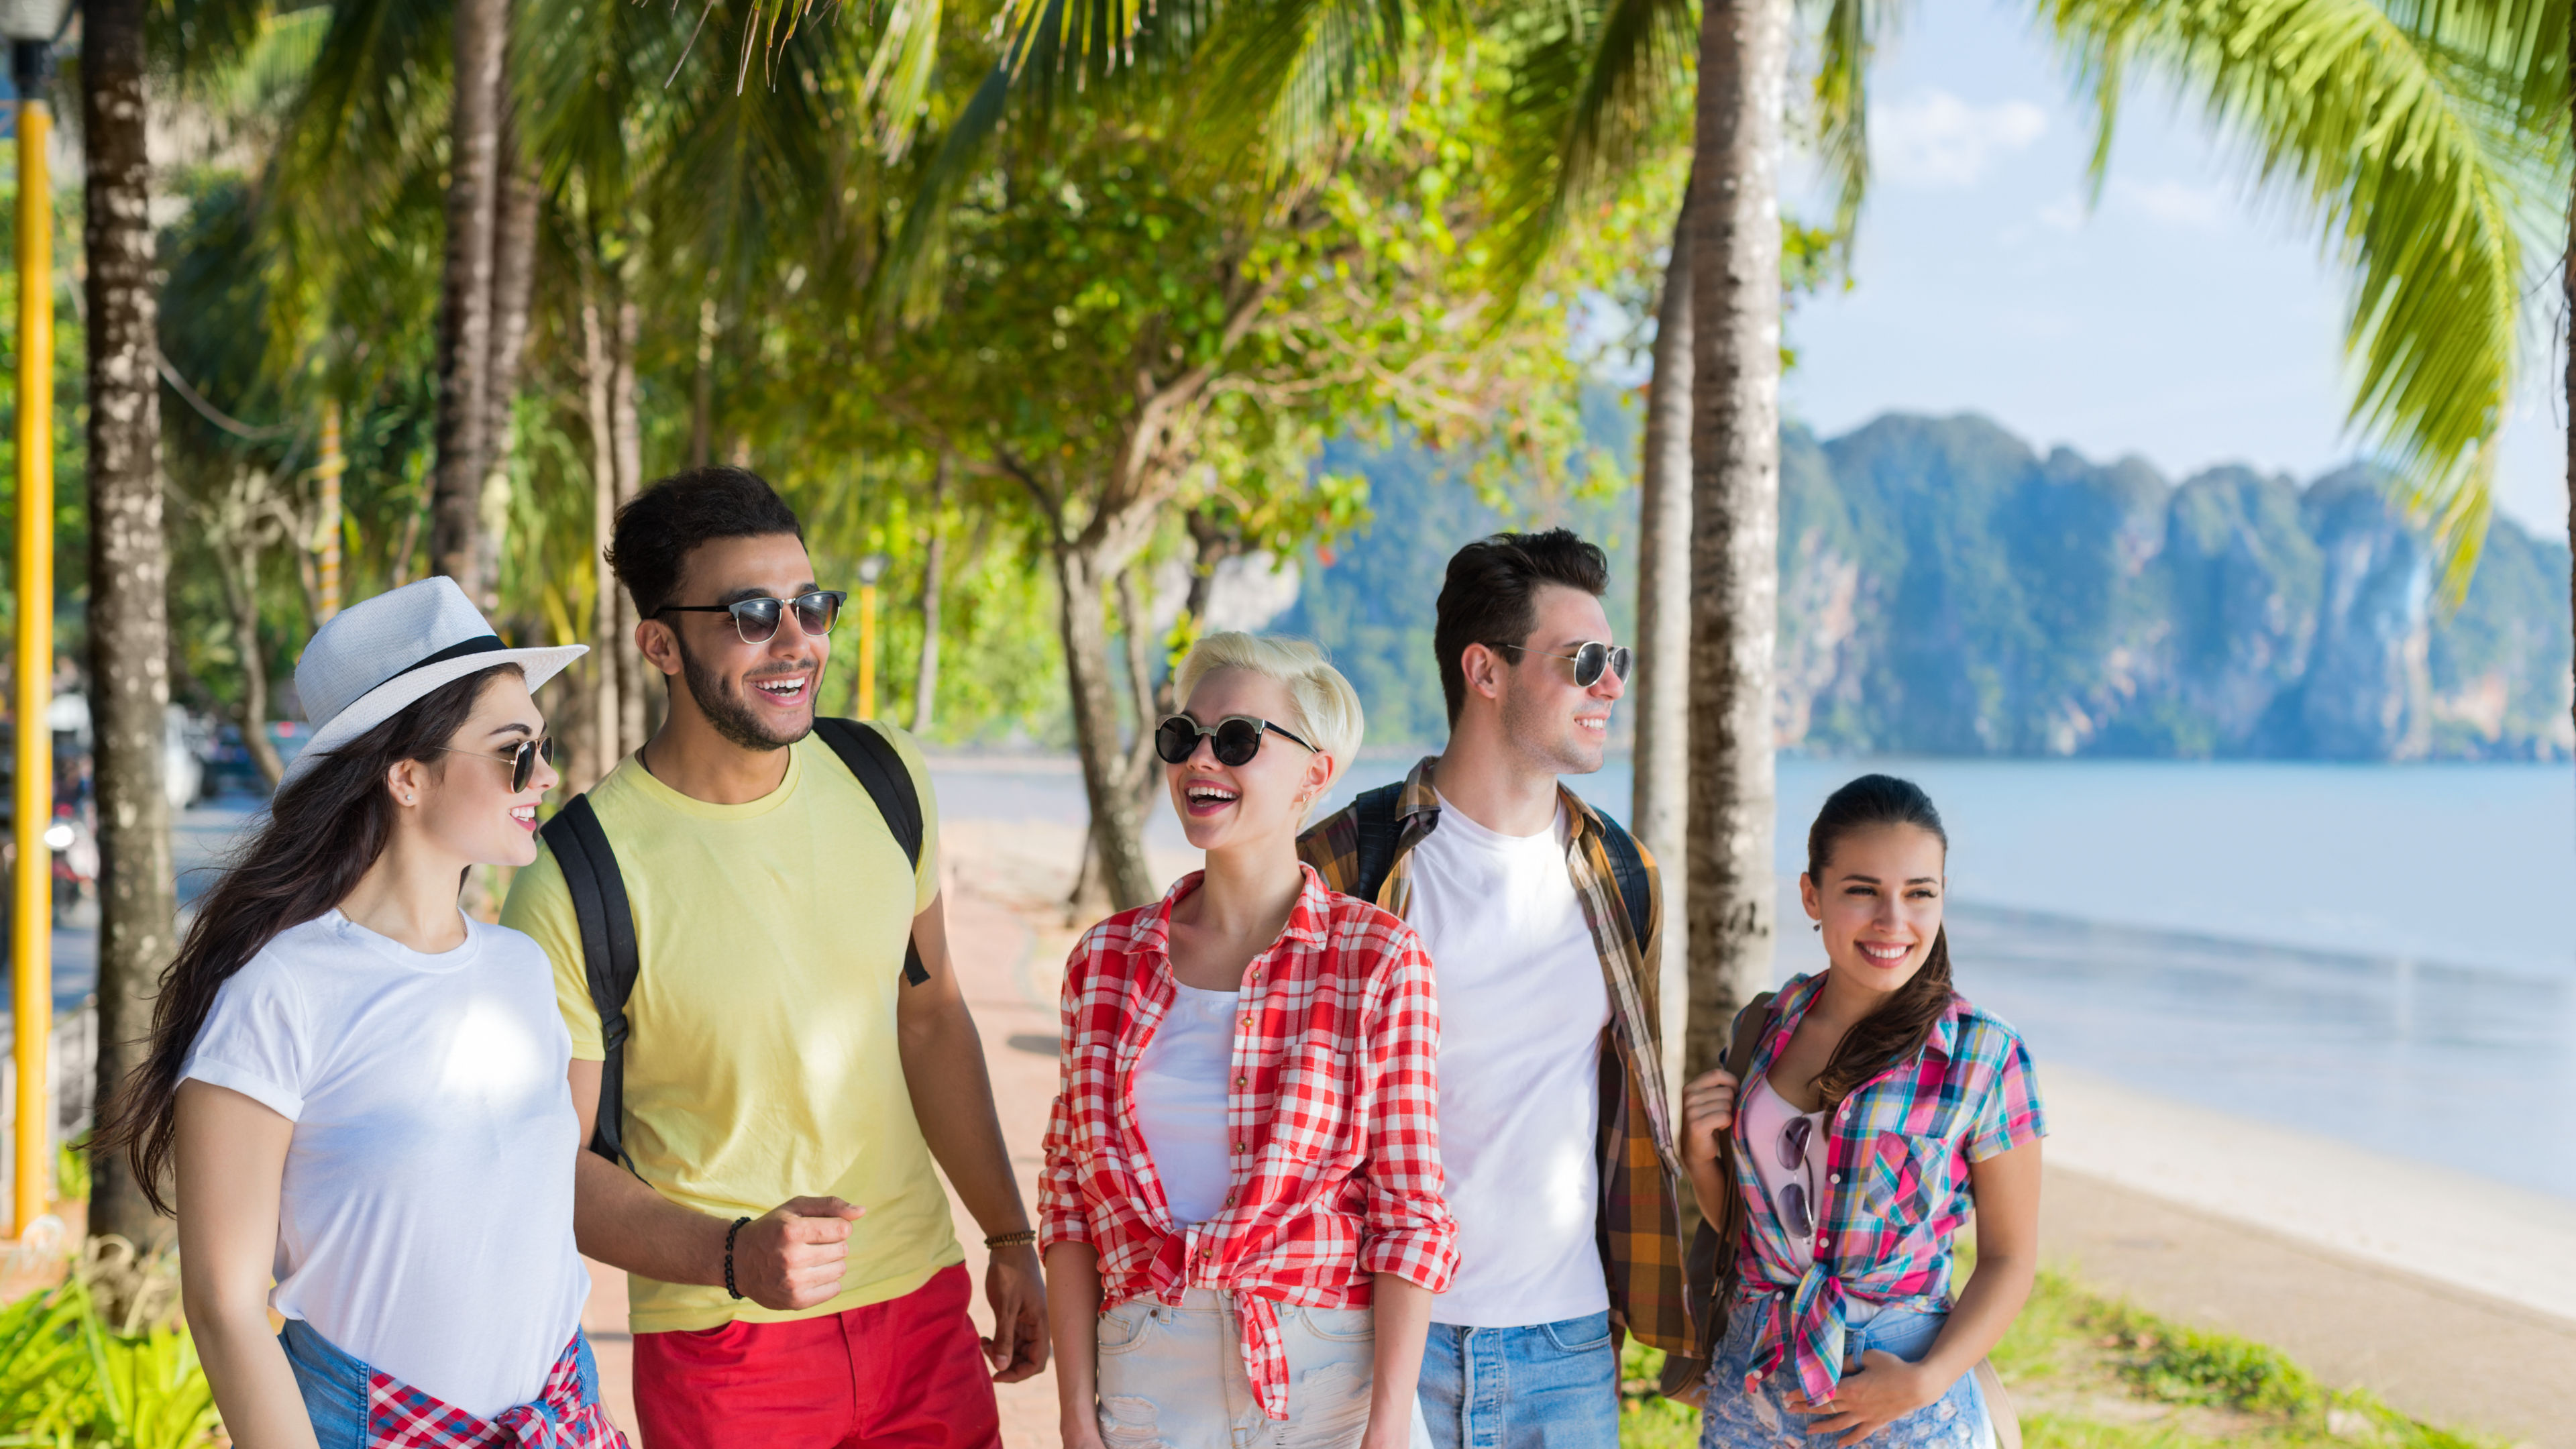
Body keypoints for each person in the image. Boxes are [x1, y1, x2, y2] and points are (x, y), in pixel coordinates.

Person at [498, 466, 1044, 1449]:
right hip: (724, 1344)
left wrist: (1009, 1236)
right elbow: (550, 1170)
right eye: (751, 614)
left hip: (924, 1307)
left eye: (809, 604)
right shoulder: (573, 877)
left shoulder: (885, 777)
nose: (797, 640)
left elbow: (929, 1018)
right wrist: (737, 1255)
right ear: (660, 643)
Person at [93, 577, 621, 1448]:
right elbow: (223, 1302)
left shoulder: (523, 971)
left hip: (561, 1415)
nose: (548, 775)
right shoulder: (281, 994)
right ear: (407, 777)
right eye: (515, 752)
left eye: (544, 745)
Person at [1298, 529, 1688, 1449]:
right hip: (1371, 1335)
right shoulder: (1344, 864)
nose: (1612, 686)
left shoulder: (1622, 874)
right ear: (1486, 671)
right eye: (1585, 660)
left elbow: (1623, 1102)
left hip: (1569, 1347)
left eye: (1616, 660)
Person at [1042, 632, 1456, 1449]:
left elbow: (1409, 1212)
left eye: (1236, 739)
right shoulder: (1105, 963)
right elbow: (1069, 1207)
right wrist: (1075, 1416)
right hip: (1145, 1373)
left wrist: (1386, 1434)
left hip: (1328, 1380)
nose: (1201, 758)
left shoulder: (1377, 959)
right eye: (1182, 736)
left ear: (1316, 771)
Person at [1678, 775, 2045, 1448]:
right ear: (1812, 895)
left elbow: (2010, 1258)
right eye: (1862, 891)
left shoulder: (1985, 1056)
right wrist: (1702, 1156)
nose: (1892, 922)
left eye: (1918, 894)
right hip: (1752, 1391)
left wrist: (1927, 1379)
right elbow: (1749, 1231)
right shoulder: (1765, 1026)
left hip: (1901, 1392)